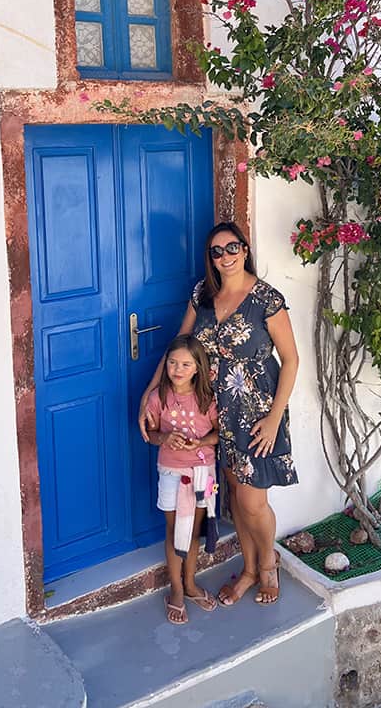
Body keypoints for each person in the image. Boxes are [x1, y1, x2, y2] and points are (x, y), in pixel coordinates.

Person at [140, 222, 299, 607]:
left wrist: (275, 417)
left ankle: (267, 565)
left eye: (232, 248)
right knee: (234, 498)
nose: (225, 256)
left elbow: (291, 360)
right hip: (213, 411)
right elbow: (180, 344)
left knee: (253, 502)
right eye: (216, 251)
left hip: (257, 411)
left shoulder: (266, 299)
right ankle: (247, 569)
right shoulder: (203, 295)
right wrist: (150, 390)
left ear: (245, 250)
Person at [145, 334, 220, 625]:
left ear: (198, 367)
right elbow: (150, 435)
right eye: (173, 363)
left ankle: (190, 583)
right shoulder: (158, 398)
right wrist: (164, 437)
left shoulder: (206, 399)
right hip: (171, 471)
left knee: (193, 528)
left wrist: (199, 443)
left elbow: (216, 434)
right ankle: (175, 589)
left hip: (203, 473)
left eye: (186, 364)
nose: (178, 369)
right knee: (175, 528)